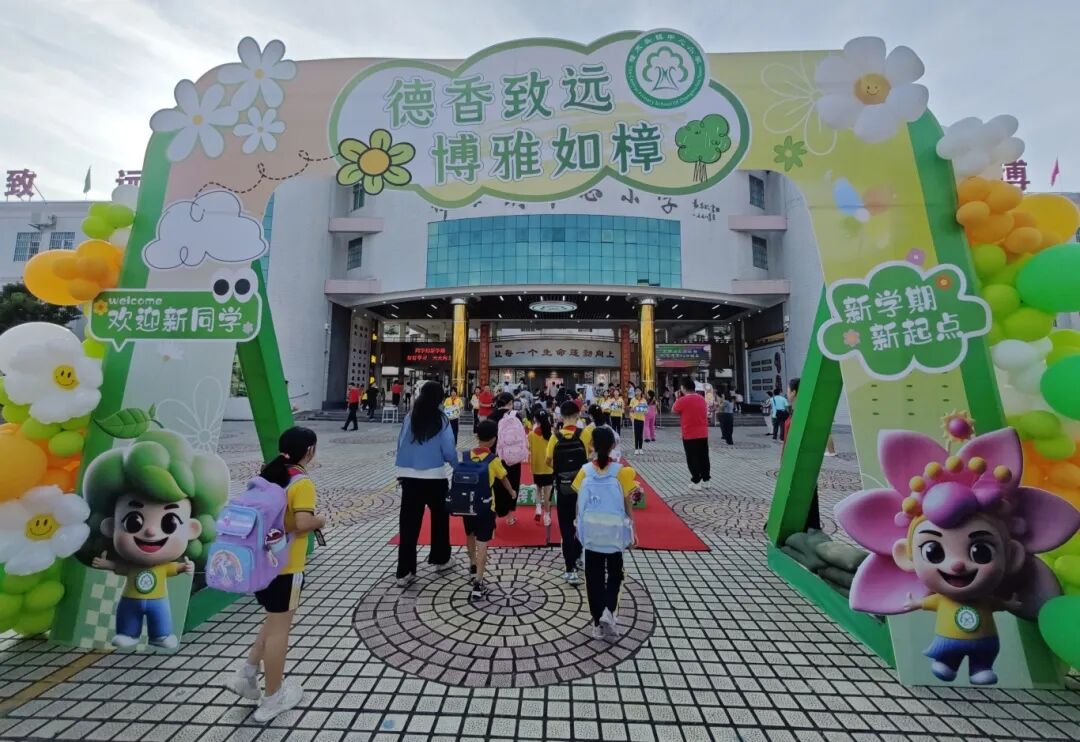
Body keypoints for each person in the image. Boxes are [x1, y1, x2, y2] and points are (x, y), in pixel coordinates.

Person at [224, 427, 325, 722]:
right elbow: (302, 522)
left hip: (261, 564)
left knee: (273, 620)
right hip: (287, 567)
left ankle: (247, 674)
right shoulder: (301, 482)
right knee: (280, 631)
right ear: (309, 451)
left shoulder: (269, 475)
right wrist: (320, 519)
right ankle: (272, 697)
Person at [572, 426, 639, 640]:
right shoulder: (622, 472)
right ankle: (609, 611)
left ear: (591, 445)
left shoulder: (584, 471)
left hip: (592, 533)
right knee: (616, 574)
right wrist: (633, 530)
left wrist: (578, 527)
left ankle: (597, 623)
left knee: (593, 578)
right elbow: (628, 505)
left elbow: (579, 503)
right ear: (613, 446)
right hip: (614, 533)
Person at [394, 381, 457, 588]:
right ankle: (441, 559)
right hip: (435, 477)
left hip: (409, 477)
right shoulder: (441, 418)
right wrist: (457, 465)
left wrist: (402, 469)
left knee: (408, 525)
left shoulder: (410, 416)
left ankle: (405, 571)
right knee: (440, 520)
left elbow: (400, 443)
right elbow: (448, 448)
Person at [465, 420, 516, 600]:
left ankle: (472, 564)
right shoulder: (493, 460)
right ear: (494, 439)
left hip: (467, 506)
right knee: (483, 543)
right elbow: (504, 478)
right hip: (486, 507)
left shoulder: (466, 455)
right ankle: (478, 583)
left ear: (477, 436)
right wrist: (512, 492)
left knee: (470, 535)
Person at [547, 400, 593, 584]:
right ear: (578, 415)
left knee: (566, 525)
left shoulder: (555, 437)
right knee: (581, 521)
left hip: (563, 486)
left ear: (561, 416)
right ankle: (578, 554)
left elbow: (548, 461)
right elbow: (590, 454)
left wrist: (559, 469)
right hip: (582, 486)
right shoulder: (584, 434)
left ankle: (570, 568)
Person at [490, 392, 527, 525]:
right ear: (510, 403)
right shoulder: (515, 415)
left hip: (495, 456)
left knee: (496, 484)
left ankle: (494, 514)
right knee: (513, 482)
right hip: (513, 457)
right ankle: (510, 517)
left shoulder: (491, 416)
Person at [673, 376, 710, 491]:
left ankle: (696, 481)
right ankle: (706, 480)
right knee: (704, 457)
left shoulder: (682, 400)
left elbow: (674, 410)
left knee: (692, 457)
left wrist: (678, 397)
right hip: (703, 433)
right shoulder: (701, 399)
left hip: (689, 434)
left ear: (684, 388)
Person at [529, 406, 554, 527]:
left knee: (538, 489)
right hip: (549, 467)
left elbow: (529, 448)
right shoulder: (552, 435)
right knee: (548, 492)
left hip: (536, 467)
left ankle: (538, 508)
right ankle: (547, 516)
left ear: (535, 419)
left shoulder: (531, 435)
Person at [629, 388, 647, 454]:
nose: (638, 392)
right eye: (636, 391)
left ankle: (641, 448)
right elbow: (630, 409)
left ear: (641, 392)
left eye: (639, 391)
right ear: (635, 392)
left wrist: (643, 409)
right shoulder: (633, 400)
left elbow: (646, 410)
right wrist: (635, 408)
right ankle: (636, 449)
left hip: (642, 419)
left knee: (641, 434)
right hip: (635, 418)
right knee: (636, 434)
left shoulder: (644, 400)